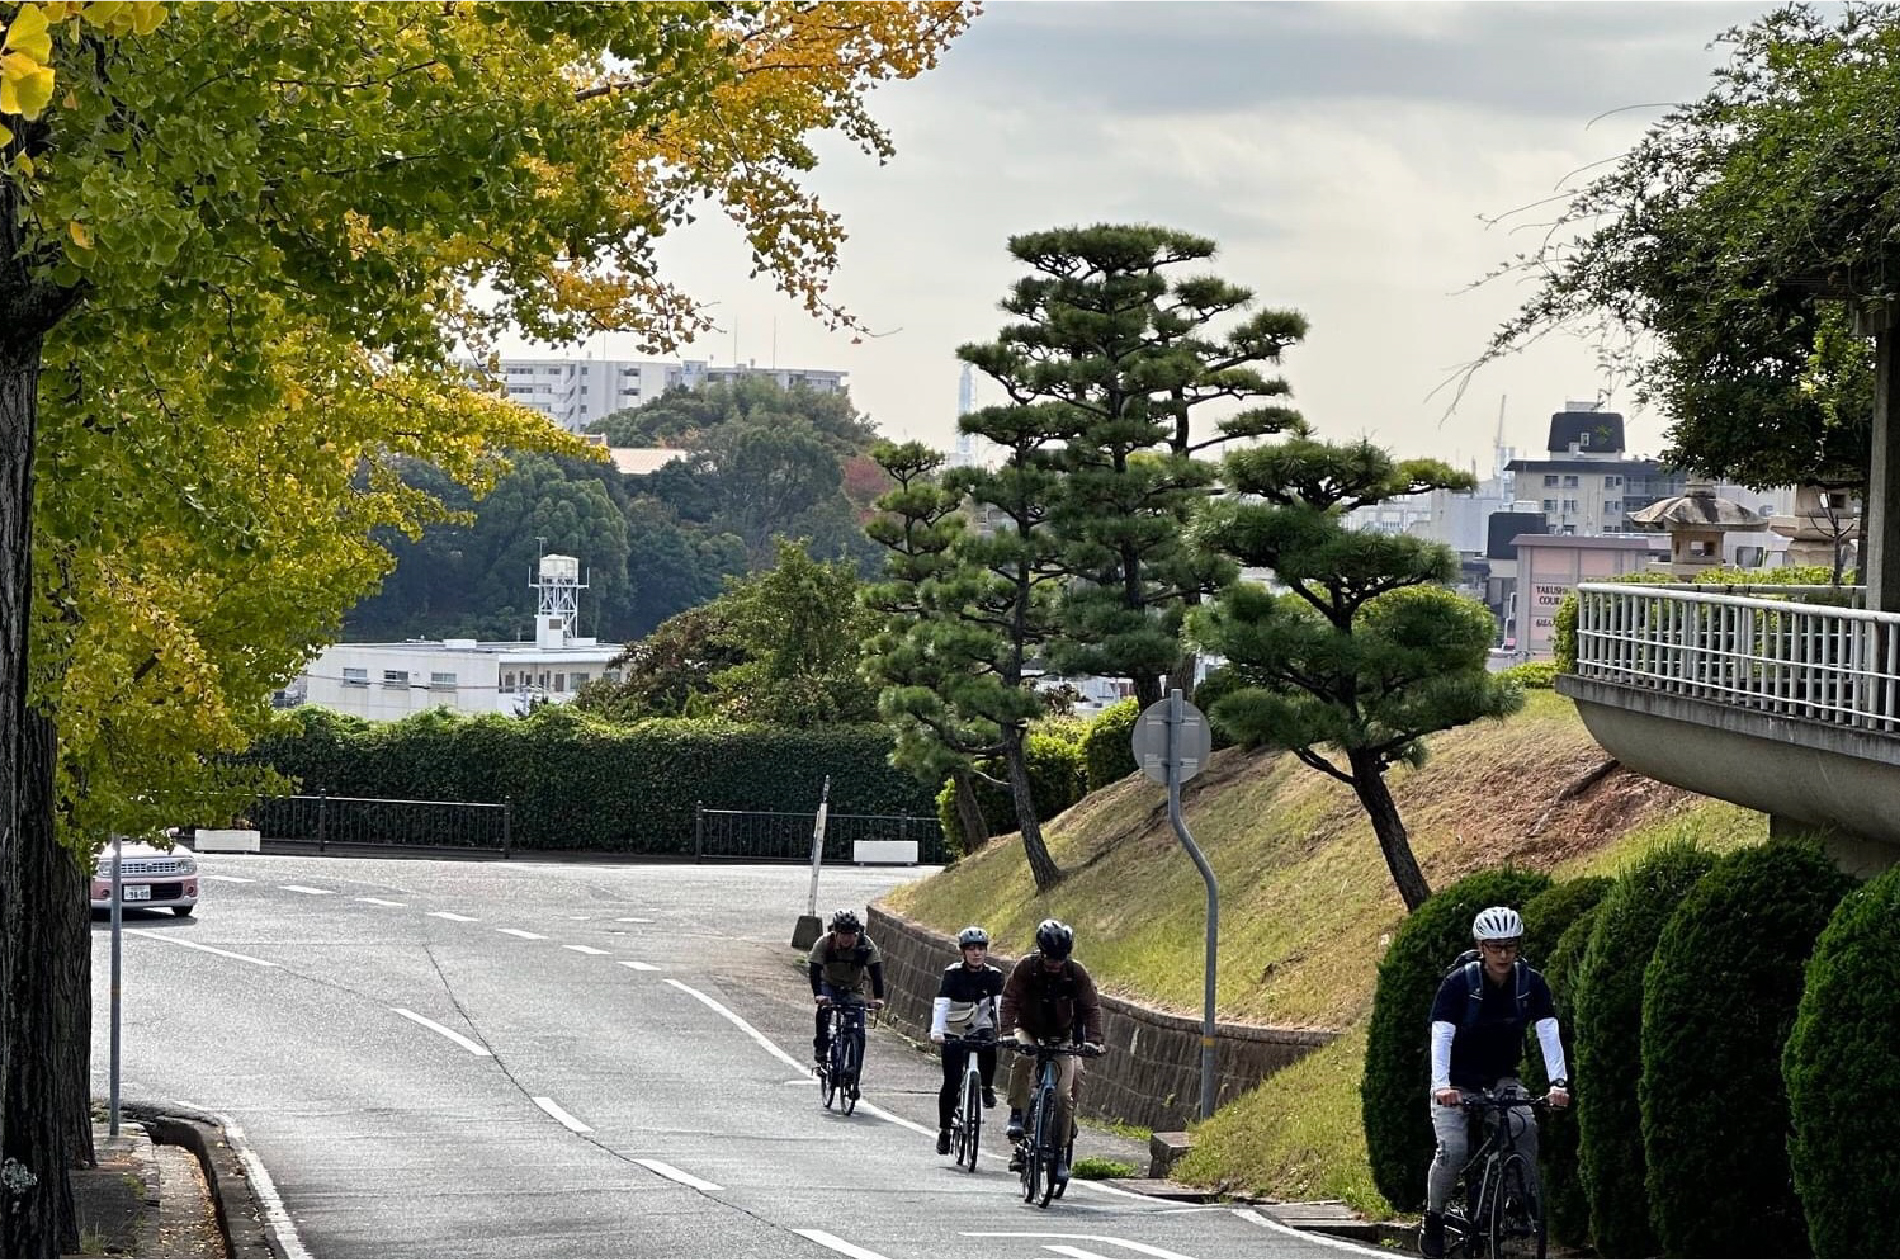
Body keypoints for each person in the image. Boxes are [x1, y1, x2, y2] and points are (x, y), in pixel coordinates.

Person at [1420, 906, 1572, 1259]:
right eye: (1494, 947)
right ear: (1481, 947)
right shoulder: (1459, 985)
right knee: (1453, 1149)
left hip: (1501, 1078)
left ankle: (1519, 1201)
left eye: (1510, 946)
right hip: (1455, 1083)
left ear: (1518, 947)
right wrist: (1442, 1086)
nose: (1503, 955)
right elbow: (1440, 1036)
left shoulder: (1529, 983)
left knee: (1524, 1126)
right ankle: (1434, 1217)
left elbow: (1549, 1032)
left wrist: (1558, 1083)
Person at [999, 918, 1104, 1184]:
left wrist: (1093, 1040)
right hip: (1029, 1030)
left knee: (1064, 1094)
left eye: (1060, 959)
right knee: (1023, 1057)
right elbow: (1009, 999)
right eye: (1049, 959)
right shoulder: (1026, 968)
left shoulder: (1076, 973)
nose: (1055, 964)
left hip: (1063, 1037)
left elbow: (1091, 1008)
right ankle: (1017, 1113)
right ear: (1041, 953)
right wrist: (1006, 1033)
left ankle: (1059, 1150)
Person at [930, 924, 1006, 1155]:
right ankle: (944, 1131)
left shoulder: (994, 975)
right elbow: (942, 1003)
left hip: (980, 1025)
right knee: (951, 1082)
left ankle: (986, 1087)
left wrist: (1005, 1032)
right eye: (971, 948)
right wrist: (937, 1031)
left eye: (981, 948)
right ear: (963, 951)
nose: (976, 953)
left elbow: (999, 1005)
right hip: (954, 1027)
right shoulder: (952, 974)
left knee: (990, 1046)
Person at [808, 908, 886, 1071]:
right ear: (835, 932)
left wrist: (879, 997)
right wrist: (818, 995)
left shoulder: (865, 945)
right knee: (823, 1012)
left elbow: (876, 971)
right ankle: (821, 1046)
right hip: (829, 984)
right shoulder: (824, 943)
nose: (846, 938)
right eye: (843, 934)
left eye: (851, 934)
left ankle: (853, 1071)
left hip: (853, 988)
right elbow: (814, 969)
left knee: (859, 1030)